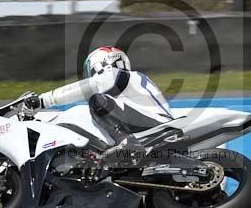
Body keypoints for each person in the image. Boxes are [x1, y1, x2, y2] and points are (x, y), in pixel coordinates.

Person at [18, 47, 173, 167]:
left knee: (97, 100)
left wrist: (43, 100)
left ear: (99, 64)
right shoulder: (131, 86)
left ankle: (127, 143)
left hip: (156, 126)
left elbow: (91, 86)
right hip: (153, 126)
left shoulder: (117, 75)